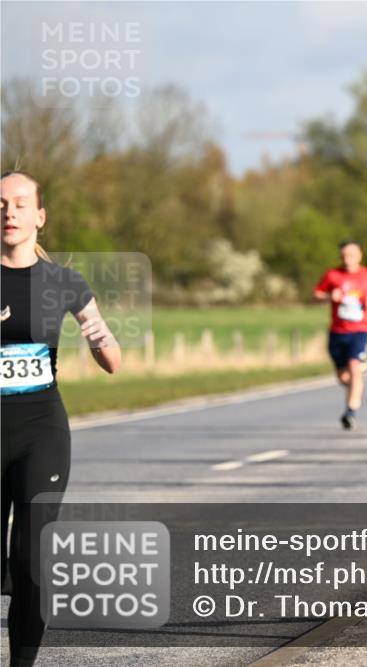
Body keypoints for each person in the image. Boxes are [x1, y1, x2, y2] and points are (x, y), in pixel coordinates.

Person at [2, 172, 122, 667]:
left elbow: (110, 351)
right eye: (0, 203)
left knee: (31, 560)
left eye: (19, 203)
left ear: (39, 217)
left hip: (41, 430)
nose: (9, 212)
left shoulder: (63, 282)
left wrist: (99, 338)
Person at [314, 240, 367, 430]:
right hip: (337, 332)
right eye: (344, 255)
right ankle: (357, 387)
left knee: (354, 368)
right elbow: (317, 294)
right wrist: (330, 296)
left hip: (360, 331)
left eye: (351, 255)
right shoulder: (333, 275)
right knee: (343, 377)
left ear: (360, 255)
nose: (347, 259)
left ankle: (350, 412)